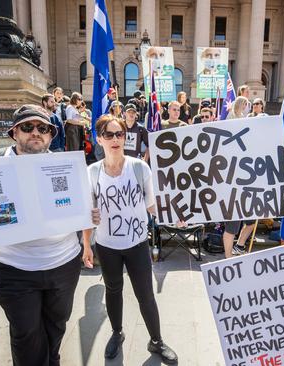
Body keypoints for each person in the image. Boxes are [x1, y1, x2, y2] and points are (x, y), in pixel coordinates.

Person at [0, 105, 100, 366]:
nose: (35, 133)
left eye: (43, 128)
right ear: (14, 133)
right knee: (26, 333)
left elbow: (83, 204)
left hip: (63, 265)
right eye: (28, 127)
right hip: (13, 268)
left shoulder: (64, 165)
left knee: (56, 326)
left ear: (51, 135)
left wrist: (89, 217)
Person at [83, 115, 178, 364]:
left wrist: (175, 215)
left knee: (145, 294)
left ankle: (156, 340)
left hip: (136, 245)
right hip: (107, 246)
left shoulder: (139, 167)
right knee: (113, 290)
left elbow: (152, 206)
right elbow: (87, 214)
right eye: (109, 134)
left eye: (120, 134)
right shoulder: (92, 173)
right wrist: (86, 244)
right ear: (99, 138)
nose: (115, 139)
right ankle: (117, 333)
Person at [222, 96, 257, 257]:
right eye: (244, 103)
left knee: (250, 222)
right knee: (231, 228)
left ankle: (239, 246)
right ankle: (228, 258)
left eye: (246, 103)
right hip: (232, 188)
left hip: (246, 186)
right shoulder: (231, 118)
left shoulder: (245, 119)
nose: (246, 105)